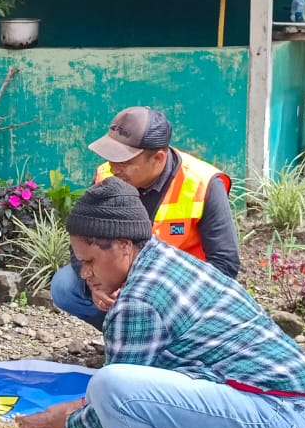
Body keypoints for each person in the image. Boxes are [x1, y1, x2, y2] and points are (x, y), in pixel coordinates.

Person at [17, 181, 305, 428]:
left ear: (122, 245)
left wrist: (62, 423)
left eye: (89, 261)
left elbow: (117, 401)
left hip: (274, 417)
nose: (85, 274)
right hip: (288, 404)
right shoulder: (163, 258)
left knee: (109, 386)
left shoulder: (138, 301)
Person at [51, 106, 239, 329]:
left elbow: (225, 264)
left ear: (158, 158)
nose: (114, 168)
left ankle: (168, 343)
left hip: (180, 288)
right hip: (123, 279)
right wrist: (96, 286)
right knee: (65, 287)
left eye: (124, 161)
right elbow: (82, 239)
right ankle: (125, 336)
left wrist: (152, 292)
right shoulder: (106, 175)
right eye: (111, 158)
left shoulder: (203, 183)